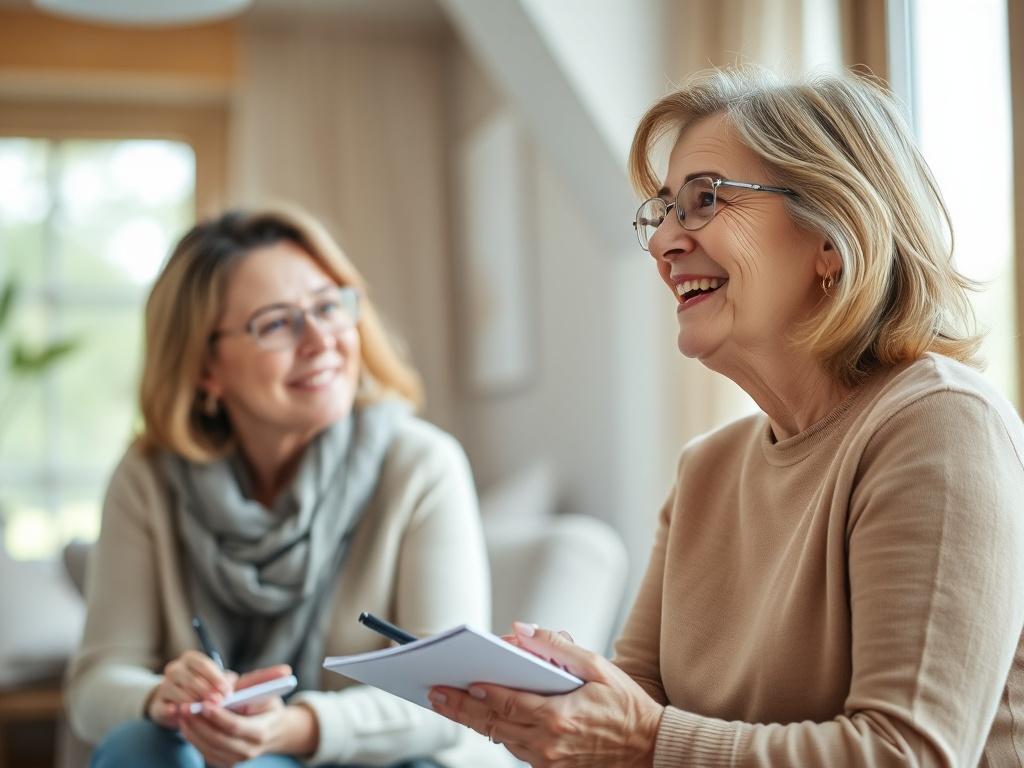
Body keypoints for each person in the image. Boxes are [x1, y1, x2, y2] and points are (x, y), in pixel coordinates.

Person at [427, 68, 1024, 766]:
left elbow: (903, 755)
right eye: (663, 212)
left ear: (833, 237)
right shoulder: (707, 470)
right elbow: (635, 716)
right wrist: (564, 713)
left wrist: (640, 738)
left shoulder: (942, 426)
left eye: (704, 200)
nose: (662, 244)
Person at [66, 206, 509, 767]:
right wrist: (161, 696)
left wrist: (292, 727)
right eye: (276, 323)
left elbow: (453, 695)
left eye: (328, 306)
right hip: (221, 753)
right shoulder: (148, 478)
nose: (322, 339)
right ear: (206, 367)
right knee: (140, 743)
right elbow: (95, 685)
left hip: (383, 759)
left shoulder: (422, 464)